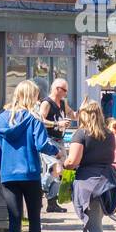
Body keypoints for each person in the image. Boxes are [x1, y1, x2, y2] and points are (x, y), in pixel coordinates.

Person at [0, 80, 59, 232]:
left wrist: (4, 166)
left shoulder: (2, 119)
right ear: (32, 97)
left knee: (14, 218)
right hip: (30, 174)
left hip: (9, 174)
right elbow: (41, 144)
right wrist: (56, 151)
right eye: (37, 96)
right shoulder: (34, 119)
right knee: (34, 218)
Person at [64, 99, 116, 232]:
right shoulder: (109, 134)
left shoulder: (81, 134)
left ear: (85, 114)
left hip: (88, 183)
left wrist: (63, 164)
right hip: (107, 181)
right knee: (91, 221)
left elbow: (73, 161)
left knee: (93, 224)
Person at [38, 79, 74, 213]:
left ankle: (52, 203)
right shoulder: (47, 103)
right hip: (48, 139)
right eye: (65, 90)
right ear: (57, 89)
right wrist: (57, 124)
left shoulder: (63, 103)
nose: (66, 93)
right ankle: (40, 189)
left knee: (59, 172)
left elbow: (72, 114)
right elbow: (40, 120)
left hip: (60, 140)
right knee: (56, 167)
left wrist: (81, 112)